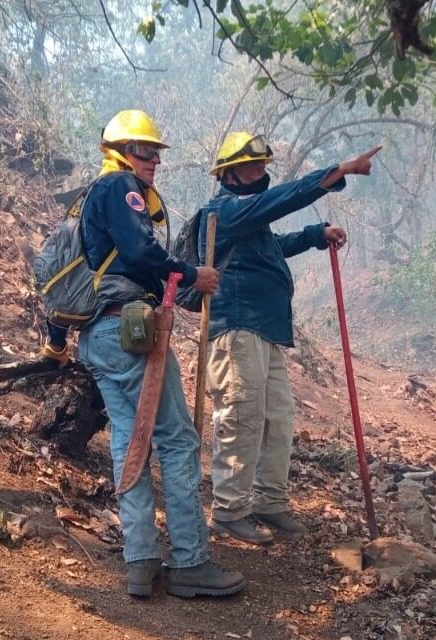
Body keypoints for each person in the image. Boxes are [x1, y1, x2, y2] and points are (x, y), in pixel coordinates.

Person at [78, 110, 245, 598]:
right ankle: (190, 562)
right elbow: (139, 253)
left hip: (101, 332)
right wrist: (193, 274)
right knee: (176, 440)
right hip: (131, 333)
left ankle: (141, 561)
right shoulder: (120, 188)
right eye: (143, 151)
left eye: (154, 153)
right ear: (120, 152)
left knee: (129, 444)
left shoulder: (97, 195)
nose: (152, 161)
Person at [200, 132, 380, 544]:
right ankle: (229, 510)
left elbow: (273, 246)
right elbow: (283, 199)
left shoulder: (251, 223)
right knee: (241, 417)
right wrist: (340, 171)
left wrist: (316, 235)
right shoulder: (224, 211)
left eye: (264, 165)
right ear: (230, 175)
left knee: (277, 419)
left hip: (265, 331)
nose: (261, 172)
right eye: (253, 166)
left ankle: (269, 501)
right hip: (237, 330)